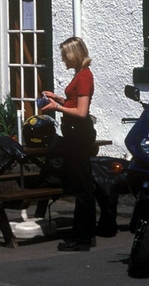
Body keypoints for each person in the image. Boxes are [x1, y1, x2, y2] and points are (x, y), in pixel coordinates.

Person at [40, 36, 98, 252]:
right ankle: (86, 235)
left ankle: (82, 238)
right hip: (75, 132)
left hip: (78, 133)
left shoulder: (84, 77)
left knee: (82, 187)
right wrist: (58, 98)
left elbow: (81, 112)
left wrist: (56, 107)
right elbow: (74, 103)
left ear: (74, 54)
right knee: (82, 185)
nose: (63, 60)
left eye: (65, 56)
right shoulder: (80, 75)